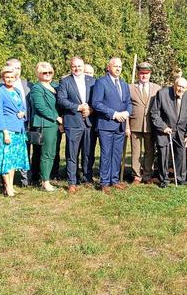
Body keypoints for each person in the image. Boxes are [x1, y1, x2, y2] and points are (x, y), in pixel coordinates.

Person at [91, 57, 132, 193]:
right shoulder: (101, 82)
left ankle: (114, 180)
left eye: (120, 66)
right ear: (109, 67)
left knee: (116, 154)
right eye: (115, 66)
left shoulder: (124, 84)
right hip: (106, 124)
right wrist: (114, 114)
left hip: (120, 125)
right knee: (106, 153)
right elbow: (96, 103)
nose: (118, 68)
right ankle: (104, 182)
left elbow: (128, 102)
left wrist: (126, 112)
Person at [57, 56, 96, 193]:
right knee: (72, 153)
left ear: (83, 66)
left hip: (89, 122)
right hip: (73, 121)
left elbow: (97, 99)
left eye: (79, 66)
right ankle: (72, 182)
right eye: (74, 66)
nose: (77, 68)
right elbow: (61, 100)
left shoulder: (92, 81)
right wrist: (78, 107)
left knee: (88, 153)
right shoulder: (65, 81)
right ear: (71, 67)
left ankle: (87, 178)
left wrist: (91, 109)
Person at [0, 58, 33, 186]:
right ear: (3, 77)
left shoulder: (17, 90)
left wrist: (22, 112)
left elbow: (22, 106)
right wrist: (4, 132)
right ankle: (7, 186)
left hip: (20, 128)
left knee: (15, 158)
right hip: (7, 129)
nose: (10, 78)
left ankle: (13, 184)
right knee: (7, 159)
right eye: (7, 76)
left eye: (13, 76)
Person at [150, 77, 187, 188]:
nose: (180, 89)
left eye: (183, 87)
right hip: (165, 130)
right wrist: (163, 127)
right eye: (178, 86)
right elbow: (154, 113)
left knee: (181, 154)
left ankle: (180, 179)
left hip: (181, 131)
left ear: (186, 88)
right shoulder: (162, 94)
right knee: (163, 155)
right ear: (174, 85)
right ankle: (163, 180)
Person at [29, 62, 62, 192]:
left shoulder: (55, 86)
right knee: (46, 153)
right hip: (45, 123)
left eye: (50, 72)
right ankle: (45, 182)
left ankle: (45, 177)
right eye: (44, 72)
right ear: (38, 74)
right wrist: (56, 117)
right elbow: (40, 107)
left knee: (52, 152)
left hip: (54, 125)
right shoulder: (37, 88)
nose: (47, 74)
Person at [126, 62, 161, 184]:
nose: (144, 76)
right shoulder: (130, 87)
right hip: (134, 124)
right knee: (136, 151)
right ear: (137, 74)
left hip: (150, 125)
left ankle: (147, 175)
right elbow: (126, 107)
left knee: (149, 151)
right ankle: (136, 175)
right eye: (141, 73)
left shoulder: (157, 88)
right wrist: (127, 127)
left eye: (146, 73)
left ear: (150, 74)